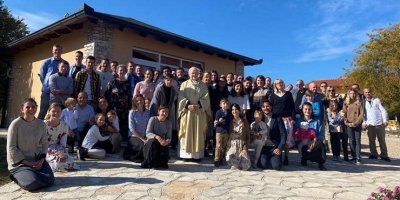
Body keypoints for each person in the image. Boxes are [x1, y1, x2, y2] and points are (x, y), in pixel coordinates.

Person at [7, 98, 54, 191]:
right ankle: (18, 176)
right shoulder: (15, 124)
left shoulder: (41, 124)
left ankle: (32, 176)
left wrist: (41, 160)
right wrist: (27, 163)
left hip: (36, 162)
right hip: (20, 164)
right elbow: (11, 147)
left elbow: (44, 143)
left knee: (51, 179)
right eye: (27, 107)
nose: (31, 109)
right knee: (32, 183)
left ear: (36, 108)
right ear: (22, 109)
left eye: (33, 107)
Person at [178, 67, 211, 160]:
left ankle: (197, 156)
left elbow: (206, 98)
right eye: (192, 73)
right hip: (187, 113)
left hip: (199, 113)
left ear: (199, 74)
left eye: (195, 73)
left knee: (198, 134)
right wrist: (188, 105)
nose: (194, 75)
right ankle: (186, 155)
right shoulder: (184, 84)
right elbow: (181, 97)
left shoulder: (203, 85)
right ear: (189, 74)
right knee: (186, 132)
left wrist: (199, 105)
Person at [44, 103, 78, 172]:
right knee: (55, 162)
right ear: (49, 111)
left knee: (69, 161)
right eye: (53, 111)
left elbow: (63, 144)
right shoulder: (43, 125)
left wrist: (61, 153)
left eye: (58, 111)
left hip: (59, 148)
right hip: (45, 149)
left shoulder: (64, 125)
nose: (56, 113)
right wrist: (55, 153)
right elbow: (40, 144)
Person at [269, 79, 295, 165]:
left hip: (287, 119)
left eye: (280, 82)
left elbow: (292, 107)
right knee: (278, 137)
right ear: (275, 85)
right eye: (277, 83)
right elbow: (270, 107)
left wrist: (293, 118)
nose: (279, 84)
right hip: (276, 119)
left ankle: (286, 157)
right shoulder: (272, 95)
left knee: (287, 138)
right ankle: (277, 153)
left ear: (283, 84)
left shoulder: (288, 94)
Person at [295, 102, 326, 170]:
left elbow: (321, 134)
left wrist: (314, 141)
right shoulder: (299, 120)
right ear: (302, 110)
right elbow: (296, 132)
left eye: (309, 109)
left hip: (314, 141)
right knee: (304, 148)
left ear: (312, 110)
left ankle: (321, 163)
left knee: (321, 145)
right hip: (303, 142)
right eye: (305, 109)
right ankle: (304, 158)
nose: (307, 111)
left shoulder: (317, 121)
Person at [149, 73, 178, 147]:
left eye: (171, 80)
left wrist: (167, 114)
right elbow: (155, 102)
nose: (169, 82)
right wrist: (158, 114)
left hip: (167, 111)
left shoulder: (173, 90)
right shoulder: (159, 89)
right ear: (164, 80)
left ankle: (166, 142)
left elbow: (171, 103)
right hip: (157, 110)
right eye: (168, 80)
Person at [363, 88, 391, 162]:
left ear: (371, 92)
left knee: (382, 140)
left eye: (369, 92)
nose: (367, 93)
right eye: (366, 92)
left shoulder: (377, 100)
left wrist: (385, 120)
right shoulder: (363, 102)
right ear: (364, 93)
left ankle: (384, 155)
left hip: (379, 123)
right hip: (370, 124)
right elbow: (363, 114)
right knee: (371, 140)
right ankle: (374, 154)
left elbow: (383, 110)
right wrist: (364, 123)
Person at [258, 101, 286, 170]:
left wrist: (279, 148)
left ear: (271, 107)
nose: (265, 108)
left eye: (267, 106)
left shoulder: (277, 118)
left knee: (276, 166)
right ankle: (268, 159)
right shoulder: (259, 118)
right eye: (263, 107)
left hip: (274, 147)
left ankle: (276, 159)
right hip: (264, 146)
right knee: (262, 165)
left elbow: (283, 134)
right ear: (261, 108)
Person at [105, 65, 131, 141]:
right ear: (117, 71)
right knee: (114, 125)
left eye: (123, 70)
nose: (121, 72)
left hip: (125, 109)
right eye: (120, 70)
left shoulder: (128, 83)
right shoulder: (112, 82)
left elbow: (130, 96)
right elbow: (107, 95)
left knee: (123, 126)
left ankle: (122, 141)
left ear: (126, 71)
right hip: (114, 108)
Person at [38, 44, 64, 119]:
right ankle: (37, 130)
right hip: (47, 92)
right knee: (43, 111)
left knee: (56, 112)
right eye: (55, 50)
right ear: (52, 51)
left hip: (58, 94)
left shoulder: (64, 63)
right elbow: (42, 76)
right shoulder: (46, 62)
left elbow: (65, 76)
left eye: (59, 50)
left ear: (61, 51)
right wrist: (48, 87)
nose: (57, 51)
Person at [124, 95, 150, 162]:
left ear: (144, 101)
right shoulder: (132, 112)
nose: (139, 102)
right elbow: (132, 129)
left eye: (141, 100)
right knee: (141, 145)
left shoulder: (148, 112)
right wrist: (142, 138)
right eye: (137, 101)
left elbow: (149, 126)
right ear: (134, 102)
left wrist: (147, 136)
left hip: (146, 135)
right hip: (135, 136)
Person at [225, 103, 251, 170]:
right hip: (231, 144)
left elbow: (247, 136)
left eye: (236, 109)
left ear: (239, 110)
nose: (234, 111)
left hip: (241, 144)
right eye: (233, 109)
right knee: (233, 165)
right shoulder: (230, 121)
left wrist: (245, 148)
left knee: (246, 166)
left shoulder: (244, 122)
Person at [342, 89, 364, 164]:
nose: (352, 95)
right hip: (349, 124)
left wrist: (356, 123)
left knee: (357, 140)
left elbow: (361, 114)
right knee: (351, 141)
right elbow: (343, 113)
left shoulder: (359, 103)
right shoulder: (346, 103)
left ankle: (358, 157)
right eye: (351, 93)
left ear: (356, 94)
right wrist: (347, 122)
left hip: (357, 124)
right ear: (348, 94)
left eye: (354, 93)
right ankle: (354, 156)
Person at [213, 98, 231, 167]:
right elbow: (215, 122)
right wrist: (219, 121)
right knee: (218, 145)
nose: (225, 105)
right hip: (219, 131)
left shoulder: (229, 113)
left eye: (226, 104)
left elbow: (229, 122)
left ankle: (221, 158)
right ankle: (216, 159)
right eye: (224, 103)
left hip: (226, 131)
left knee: (223, 146)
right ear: (220, 105)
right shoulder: (218, 112)